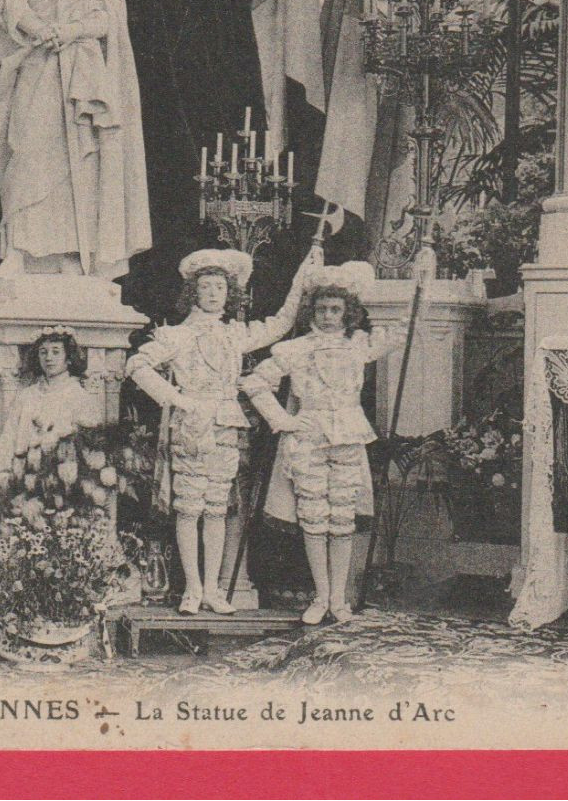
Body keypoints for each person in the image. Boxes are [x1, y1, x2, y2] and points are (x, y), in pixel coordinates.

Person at [128, 245, 322, 615]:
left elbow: (282, 323)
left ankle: (215, 590)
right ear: (193, 292)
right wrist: (176, 399)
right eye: (206, 286)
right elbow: (137, 366)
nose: (213, 293)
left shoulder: (236, 335)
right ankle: (192, 590)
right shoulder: (176, 336)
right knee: (188, 510)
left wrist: (303, 276)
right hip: (190, 427)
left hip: (226, 426)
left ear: (229, 293)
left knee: (217, 509)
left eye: (220, 286)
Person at [0, 0, 150, 280]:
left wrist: (71, 29)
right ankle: (19, 251)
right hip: (38, 62)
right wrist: (38, 28)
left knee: (81, 159)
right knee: (27, 150)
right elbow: (7, 0)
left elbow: (111, 19)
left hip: (82, 70)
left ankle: (74, 254)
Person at [241, 262, 405, 625]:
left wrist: (422, 275)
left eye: (336, 309)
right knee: (314, 518)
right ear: (311, 311)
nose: (329, 316)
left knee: (342, 518)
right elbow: (255, 382)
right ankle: (320, 597)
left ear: (348, 313)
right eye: (321, 309)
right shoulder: (296, 349)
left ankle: (339, 600)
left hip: (348, 434)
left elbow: (398, 335)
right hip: (309, 437)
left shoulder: (359, 345)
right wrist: (282, 420)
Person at [0, 326, 105, 509]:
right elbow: (9, 435)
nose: (48, 357)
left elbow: (91, 446)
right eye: (43, 352)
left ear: (68, 358)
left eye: (56, 352)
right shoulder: (26, 396)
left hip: (66, 485)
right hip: (25, 481)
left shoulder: (80, 397)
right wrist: (3, 471)